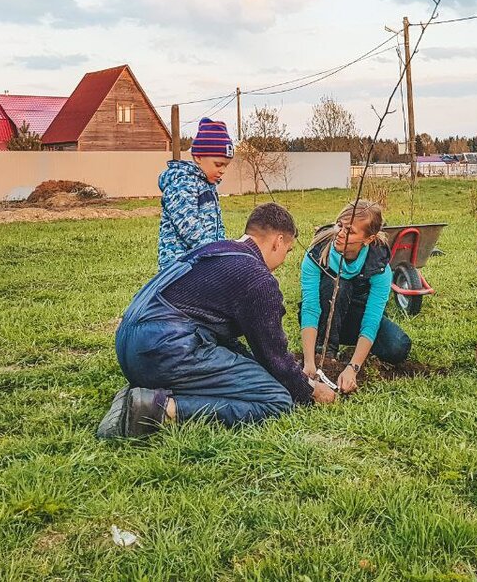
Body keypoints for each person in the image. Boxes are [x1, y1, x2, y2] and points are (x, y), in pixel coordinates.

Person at [99, 202, 336, 439]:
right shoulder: (257, 278)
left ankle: (139, 394)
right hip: (166, 349)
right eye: (288, 250)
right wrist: (309, 390)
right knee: (276, 399)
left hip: (131, 346)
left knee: (254, 374)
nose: (284, 258)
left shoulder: (214, 250)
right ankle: (159, 410)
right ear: (278, 241)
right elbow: (273, 356)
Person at [300, 199, 412, 394]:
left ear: (368, 239)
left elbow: (371, 319)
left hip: (355, 320)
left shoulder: (379, 266)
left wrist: (353, 367)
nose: (340, 234)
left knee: (398, 346)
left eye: (350, 231)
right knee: (338, 285)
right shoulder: (316, 254)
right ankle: (325, 353)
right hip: (322, 319)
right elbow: (310, 307)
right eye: (339, 225)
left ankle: (352, 353)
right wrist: (309, 362)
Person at [157, 117, 233, 269]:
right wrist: (214, 251)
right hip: (179, 266)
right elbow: (188, 226)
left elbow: (217, 224)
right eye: (218, 164)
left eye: (226, 165)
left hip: (201, 261)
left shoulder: (207, 185)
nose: (222, 170)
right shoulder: (182, 183)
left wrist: (223, 248)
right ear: (198, 157)